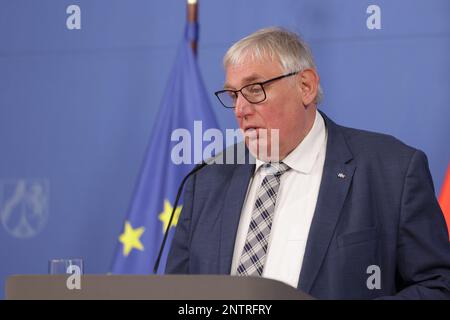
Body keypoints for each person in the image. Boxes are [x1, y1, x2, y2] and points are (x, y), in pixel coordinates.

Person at [166, 27, 450, 299]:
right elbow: (178, 294)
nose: (240, 110)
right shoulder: (206, 179)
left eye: (254, 89)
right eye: (233, 95)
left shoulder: (392, 170)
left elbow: (439, 287)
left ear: (306, 86)